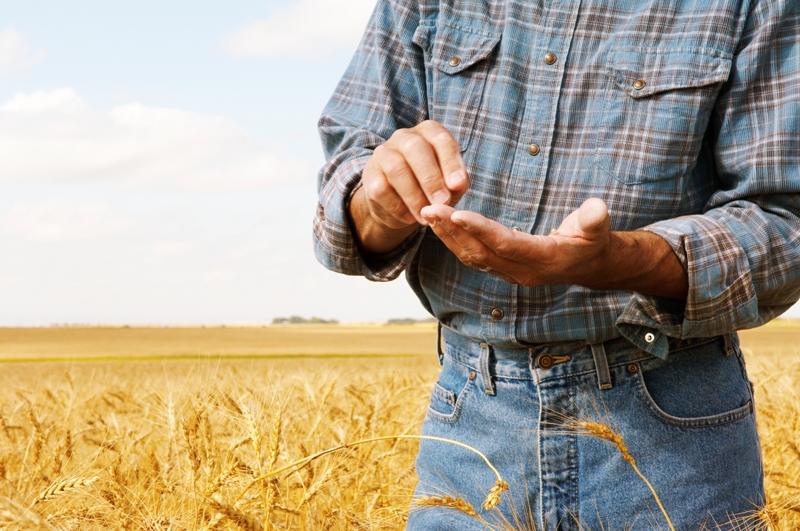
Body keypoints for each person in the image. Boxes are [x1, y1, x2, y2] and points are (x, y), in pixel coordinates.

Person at [312, 0, 800, 529]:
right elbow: (348, 183)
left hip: (672, 422)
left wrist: (615, 260)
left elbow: (784, 221)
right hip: (470, 416)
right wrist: (382, 203)